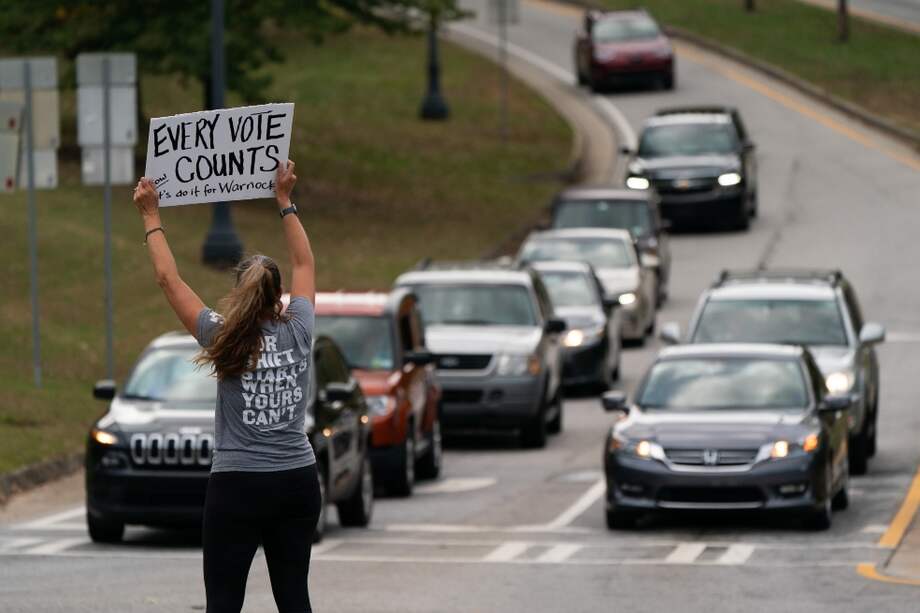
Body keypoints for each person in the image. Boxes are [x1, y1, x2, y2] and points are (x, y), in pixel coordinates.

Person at [132, 160, 321, 613]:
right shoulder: (300, 328)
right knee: (294, 598)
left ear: (239, 294)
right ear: (279, 296)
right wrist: (283, 199)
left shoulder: (223, 336)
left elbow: (168, 280)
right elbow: (304, 261)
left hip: (237, 484)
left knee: (223, 603)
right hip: (297, 480)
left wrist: (150, 215)